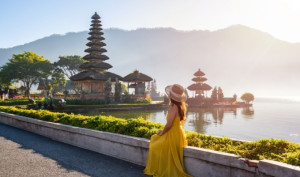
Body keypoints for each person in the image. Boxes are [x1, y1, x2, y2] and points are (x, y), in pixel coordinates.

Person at [144, 84, 192, 177]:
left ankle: (160, 168)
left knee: (154, 141)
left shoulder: (173, 107)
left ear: (172, 96)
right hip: (179, 133)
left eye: (170, 94)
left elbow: (169, 125)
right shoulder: (182, 106)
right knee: (156, 140)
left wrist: (162, 131)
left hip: (173, 134)